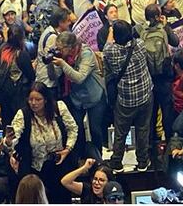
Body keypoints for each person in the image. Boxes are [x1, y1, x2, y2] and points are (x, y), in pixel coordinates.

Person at [10, 83, 78, 204]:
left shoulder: (59, 107)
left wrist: (67, 149)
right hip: (35, 167)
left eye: (38, 99)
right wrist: (9, 142)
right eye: (31, 99)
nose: (33, 103)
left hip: (59, 163)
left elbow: (73, 129)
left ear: (45, 100)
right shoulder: (23, 114)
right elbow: (15, 135)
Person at [102, 20, 153, 171]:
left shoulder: (110, 52)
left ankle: (117, 162)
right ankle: (143, 161)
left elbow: (107, 46)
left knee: (121, 132)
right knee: (143, 129)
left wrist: (111, 30)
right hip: (145, 94)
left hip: (126, 99)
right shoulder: (140, 45)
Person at [50, 31, 107, 160]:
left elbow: (79, 77)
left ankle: (98, 159)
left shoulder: (86, 54)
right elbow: (55, 76)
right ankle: (80, 158)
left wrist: (63, 64)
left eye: (60, 49)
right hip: (76, 99)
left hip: (94, 97)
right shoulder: (63, 57)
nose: (58, 51)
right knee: (76, 129)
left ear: (69, 48)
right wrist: (53, 64)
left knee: (95, 129)